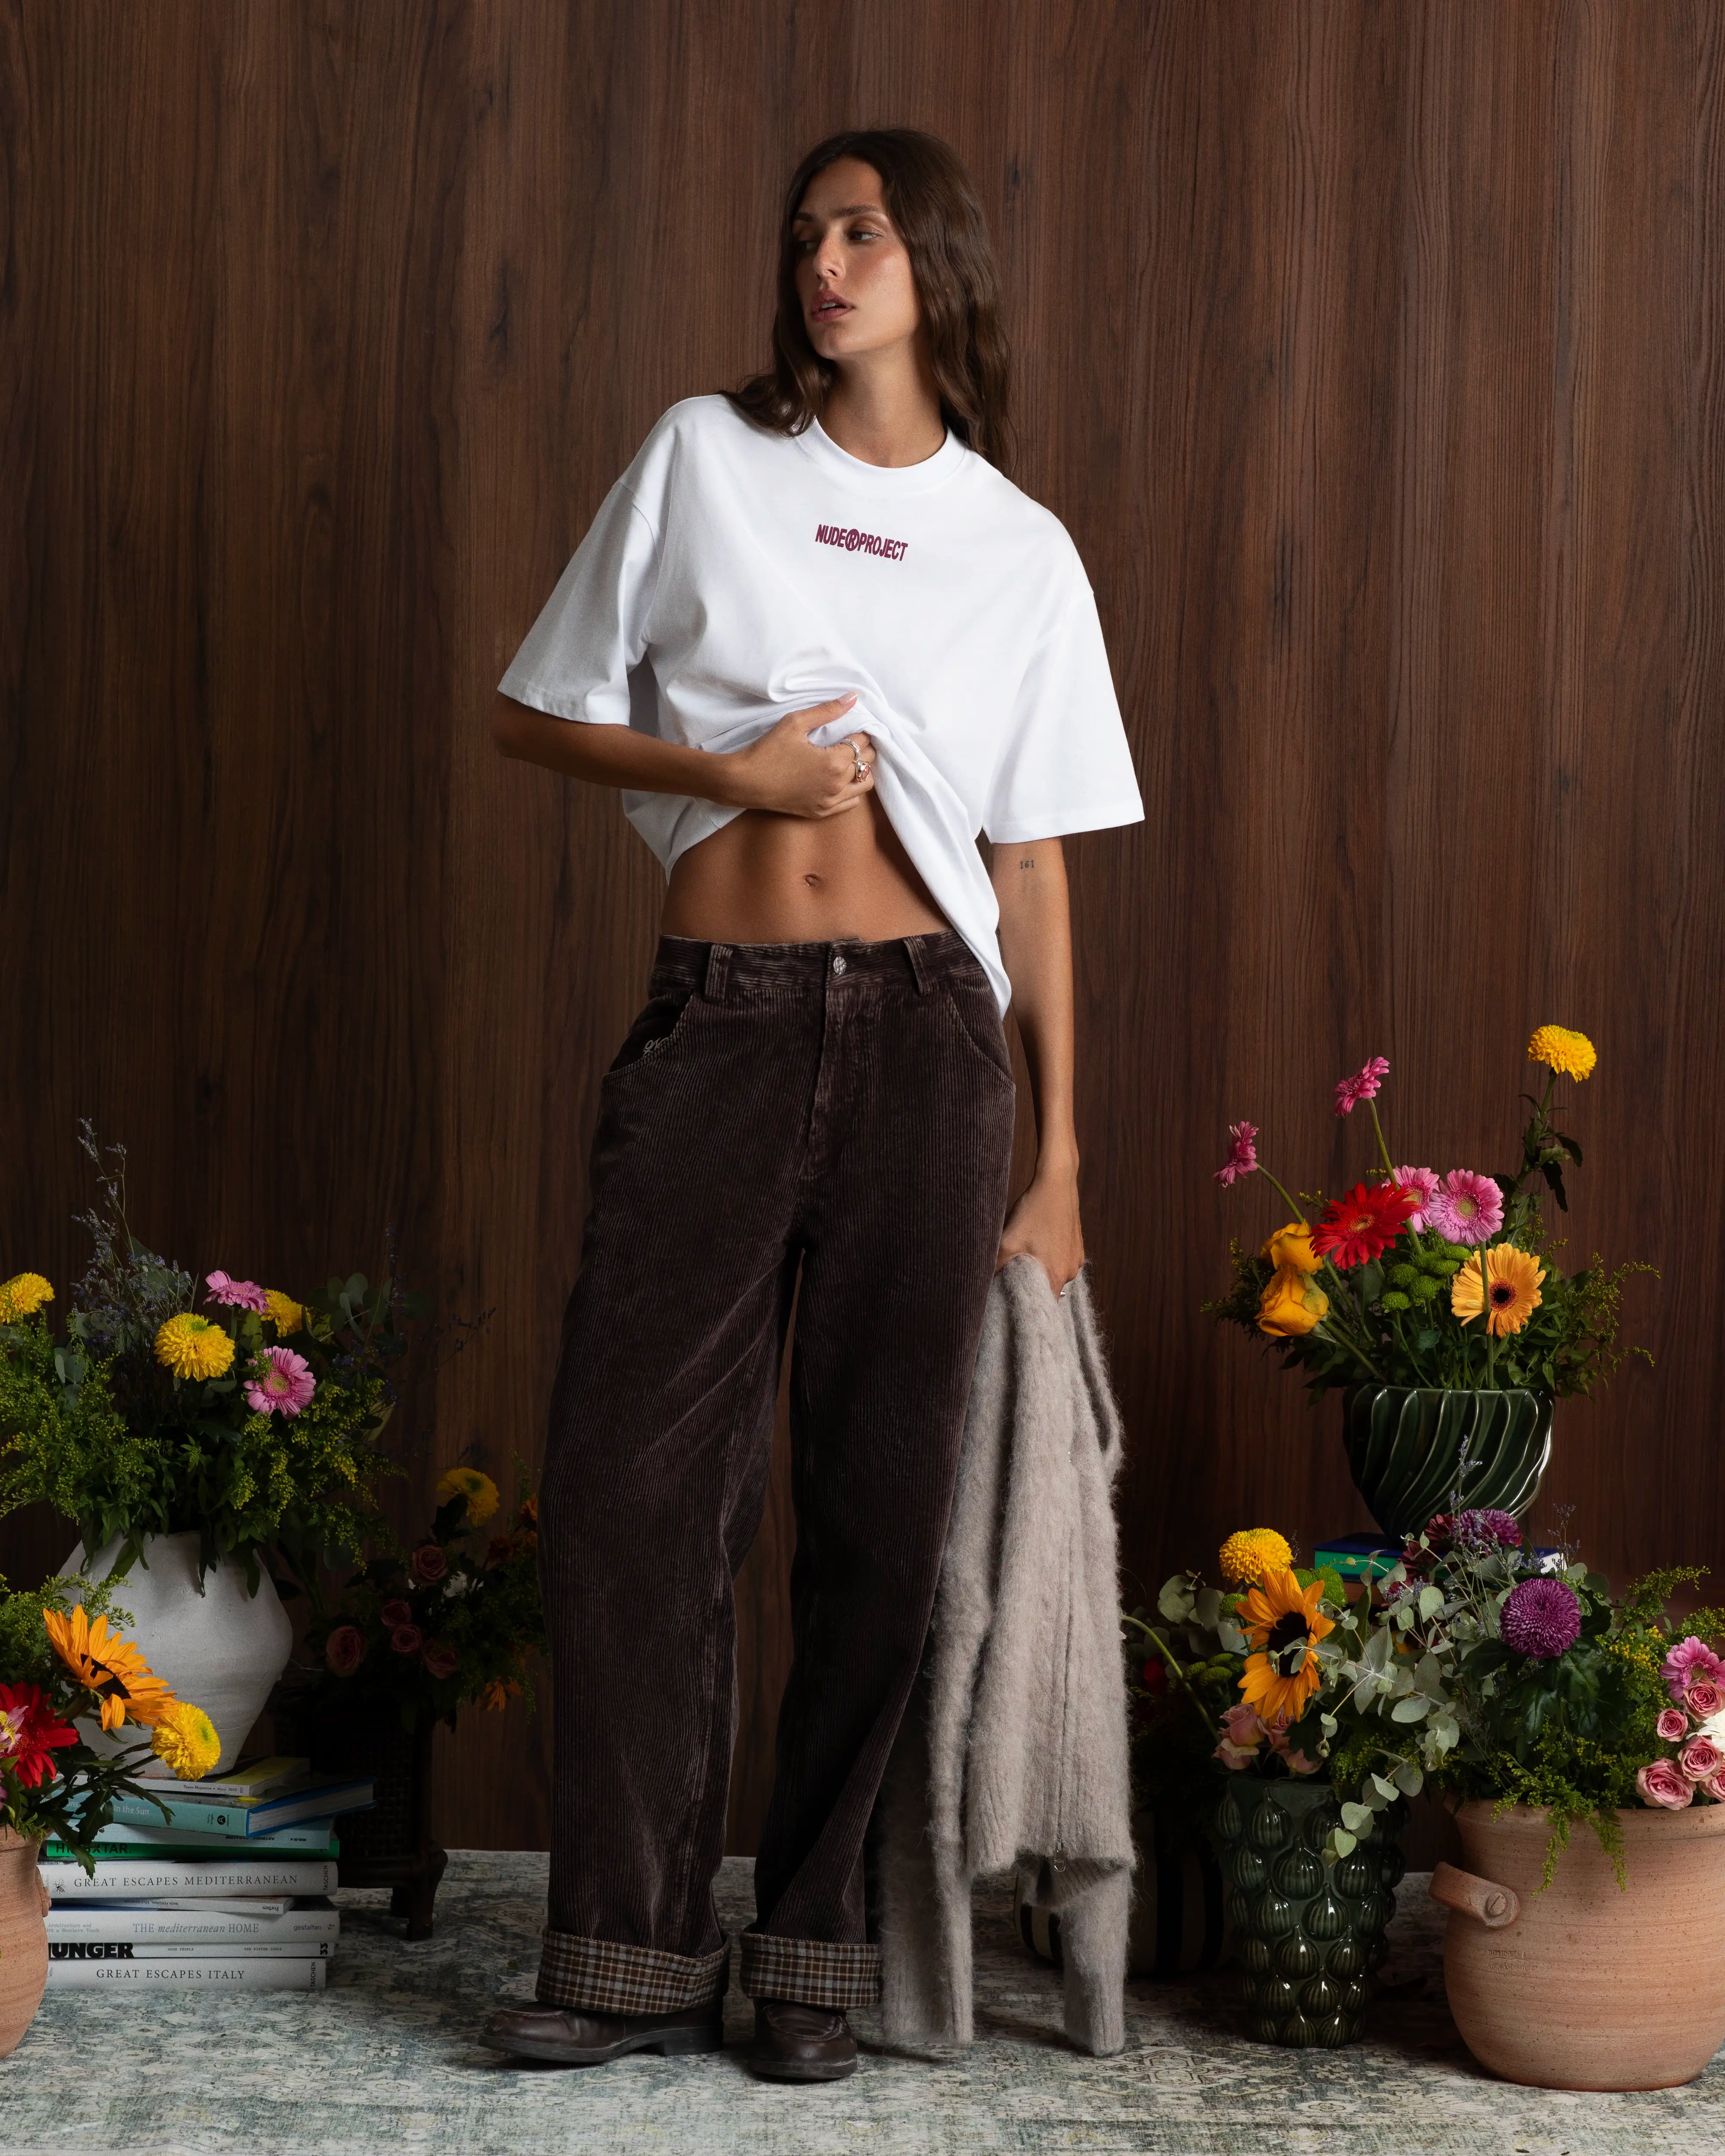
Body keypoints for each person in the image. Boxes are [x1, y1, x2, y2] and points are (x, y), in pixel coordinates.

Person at [480, 127, 1142, 2083]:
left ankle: (813, 1953)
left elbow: (1032, 865)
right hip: (725, 1018)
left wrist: (1062, 1157)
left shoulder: (1022, 549)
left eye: (861, 233)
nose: (825, 265)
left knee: (882, 1508)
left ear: (936, 262)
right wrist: (738, 780)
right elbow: (531, 710)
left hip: (932, 1038)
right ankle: (624, 1947)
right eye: (805, 237)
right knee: (629, 1487)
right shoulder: (706, 457)